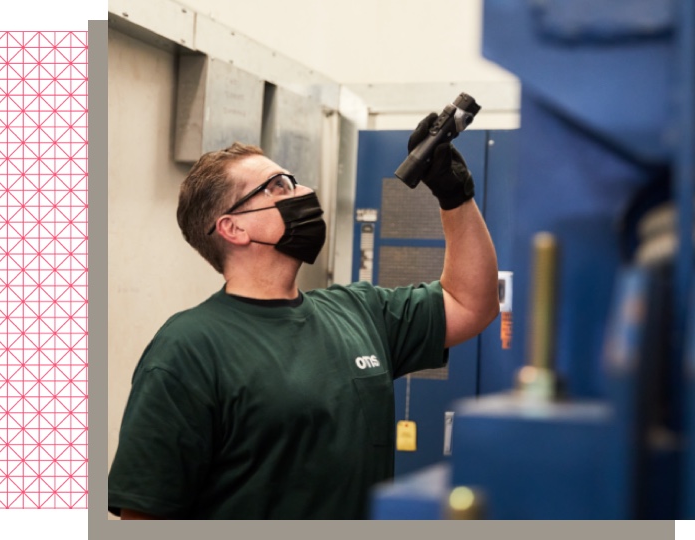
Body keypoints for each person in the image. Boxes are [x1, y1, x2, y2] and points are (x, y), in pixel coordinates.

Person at [107, 113, 500, 519]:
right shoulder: (187, 349)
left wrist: (455, 196)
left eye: (295, 182)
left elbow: (471, 303)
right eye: (279, 187)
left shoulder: (359, 311)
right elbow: (145, 514)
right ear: (233, 228)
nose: (305, 192)